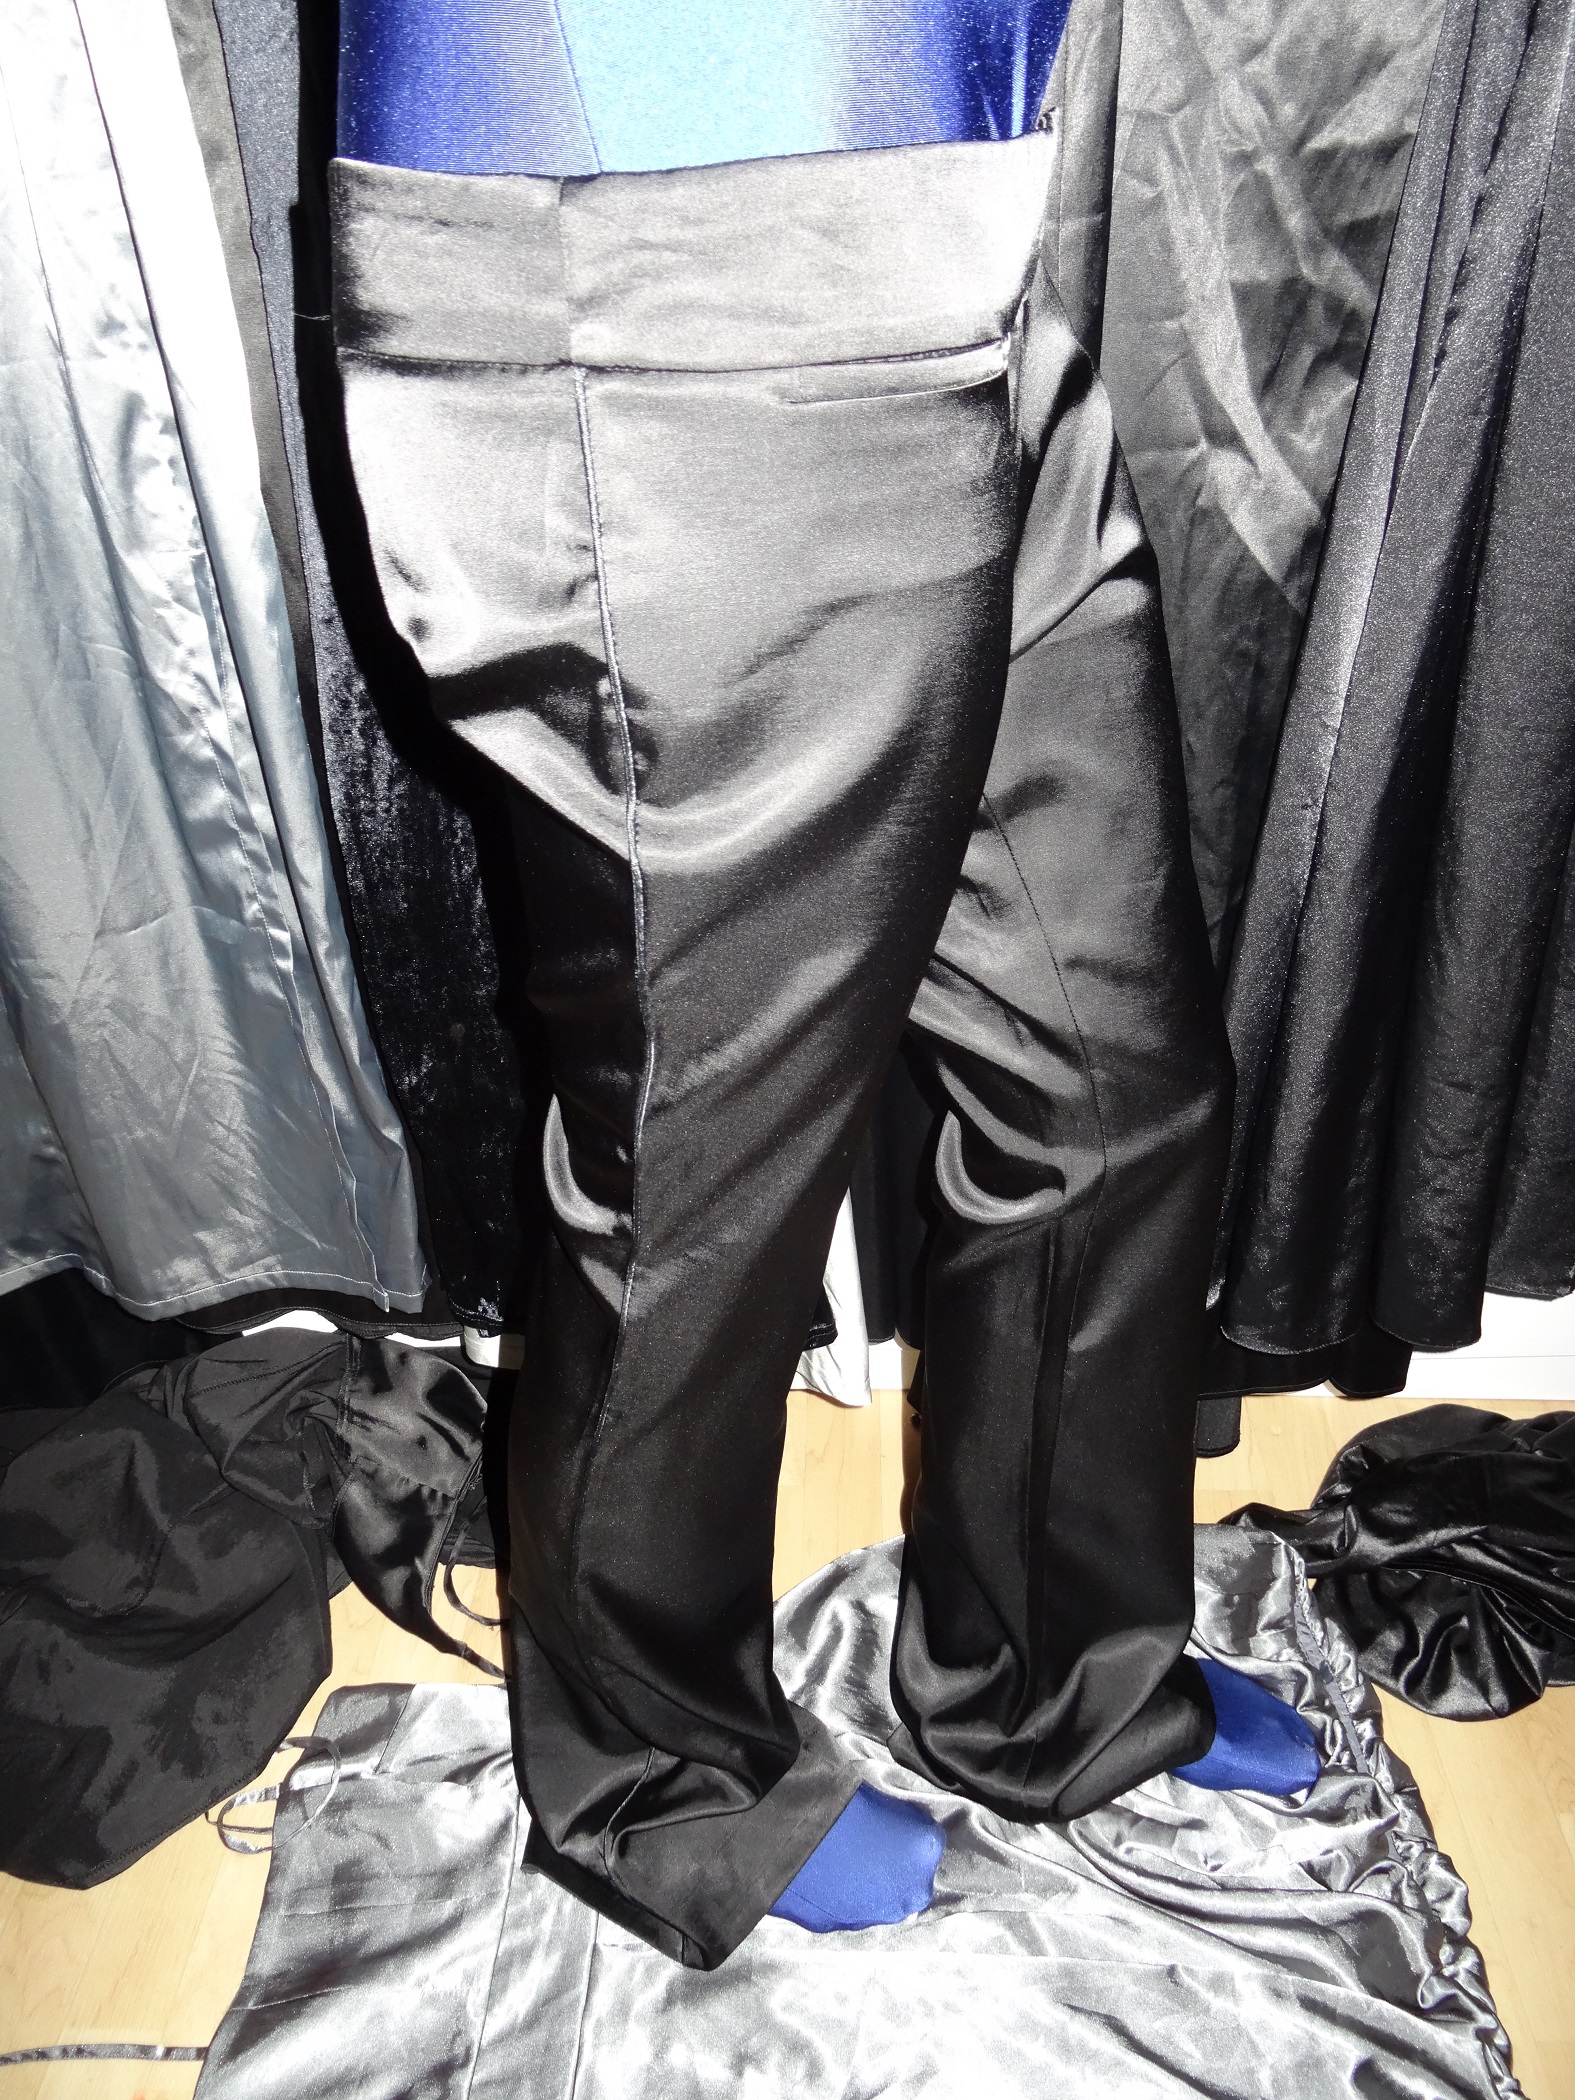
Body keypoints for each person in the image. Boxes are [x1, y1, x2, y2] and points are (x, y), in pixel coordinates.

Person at [329, 0, 1318, 1971]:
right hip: (656, 257)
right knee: (699, 1192)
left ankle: (1050, 1681)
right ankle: (658, 1787)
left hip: (955, 237)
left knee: (1108, 1079)